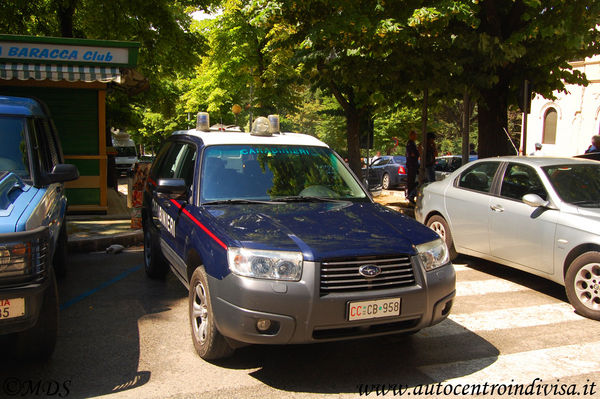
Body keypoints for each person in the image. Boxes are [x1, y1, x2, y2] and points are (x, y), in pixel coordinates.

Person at [405, 130, 419, 204]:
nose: (416, 136)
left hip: (413, 165)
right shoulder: (410, 144)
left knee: (412, 181)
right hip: (411, 165)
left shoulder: (412, 143)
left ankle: (410, 196)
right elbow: (413, 154)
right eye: (415, 135)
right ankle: (409, 196)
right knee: (410, 181)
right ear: (411, 135)